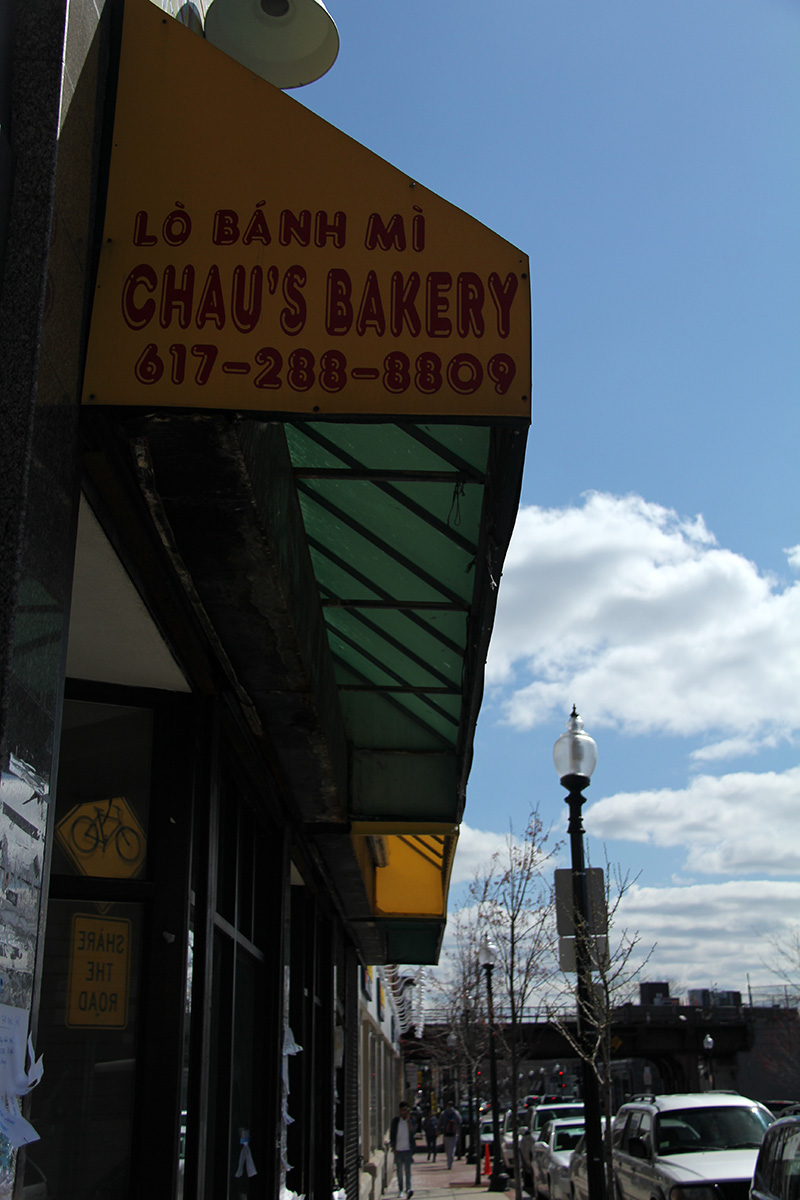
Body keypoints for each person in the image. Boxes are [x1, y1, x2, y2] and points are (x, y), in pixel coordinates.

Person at [390, 1100, 416, 1199]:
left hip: (407, 1149)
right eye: (402, 1110)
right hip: (398, 1150)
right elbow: (392, 1134)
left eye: (405, 1110)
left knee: (408, 1170)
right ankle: (400, 1190)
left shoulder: (411, 1120)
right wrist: (393, 1147)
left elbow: (413, 1131)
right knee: (399, 1172)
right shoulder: (396, 1121)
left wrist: (408, 1121)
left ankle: (408, 1189)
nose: (404, 1112)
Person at [439, 1100, 462, 1169]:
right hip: (454, 1133)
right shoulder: (456, 1113)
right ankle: (450, 1162)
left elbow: (440, 1123)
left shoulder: (443, 1113)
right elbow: (460, 1121)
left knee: (447, 1149)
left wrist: (439, 1130)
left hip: (446, 1133)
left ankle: (448, 1161)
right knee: (452, 1148)